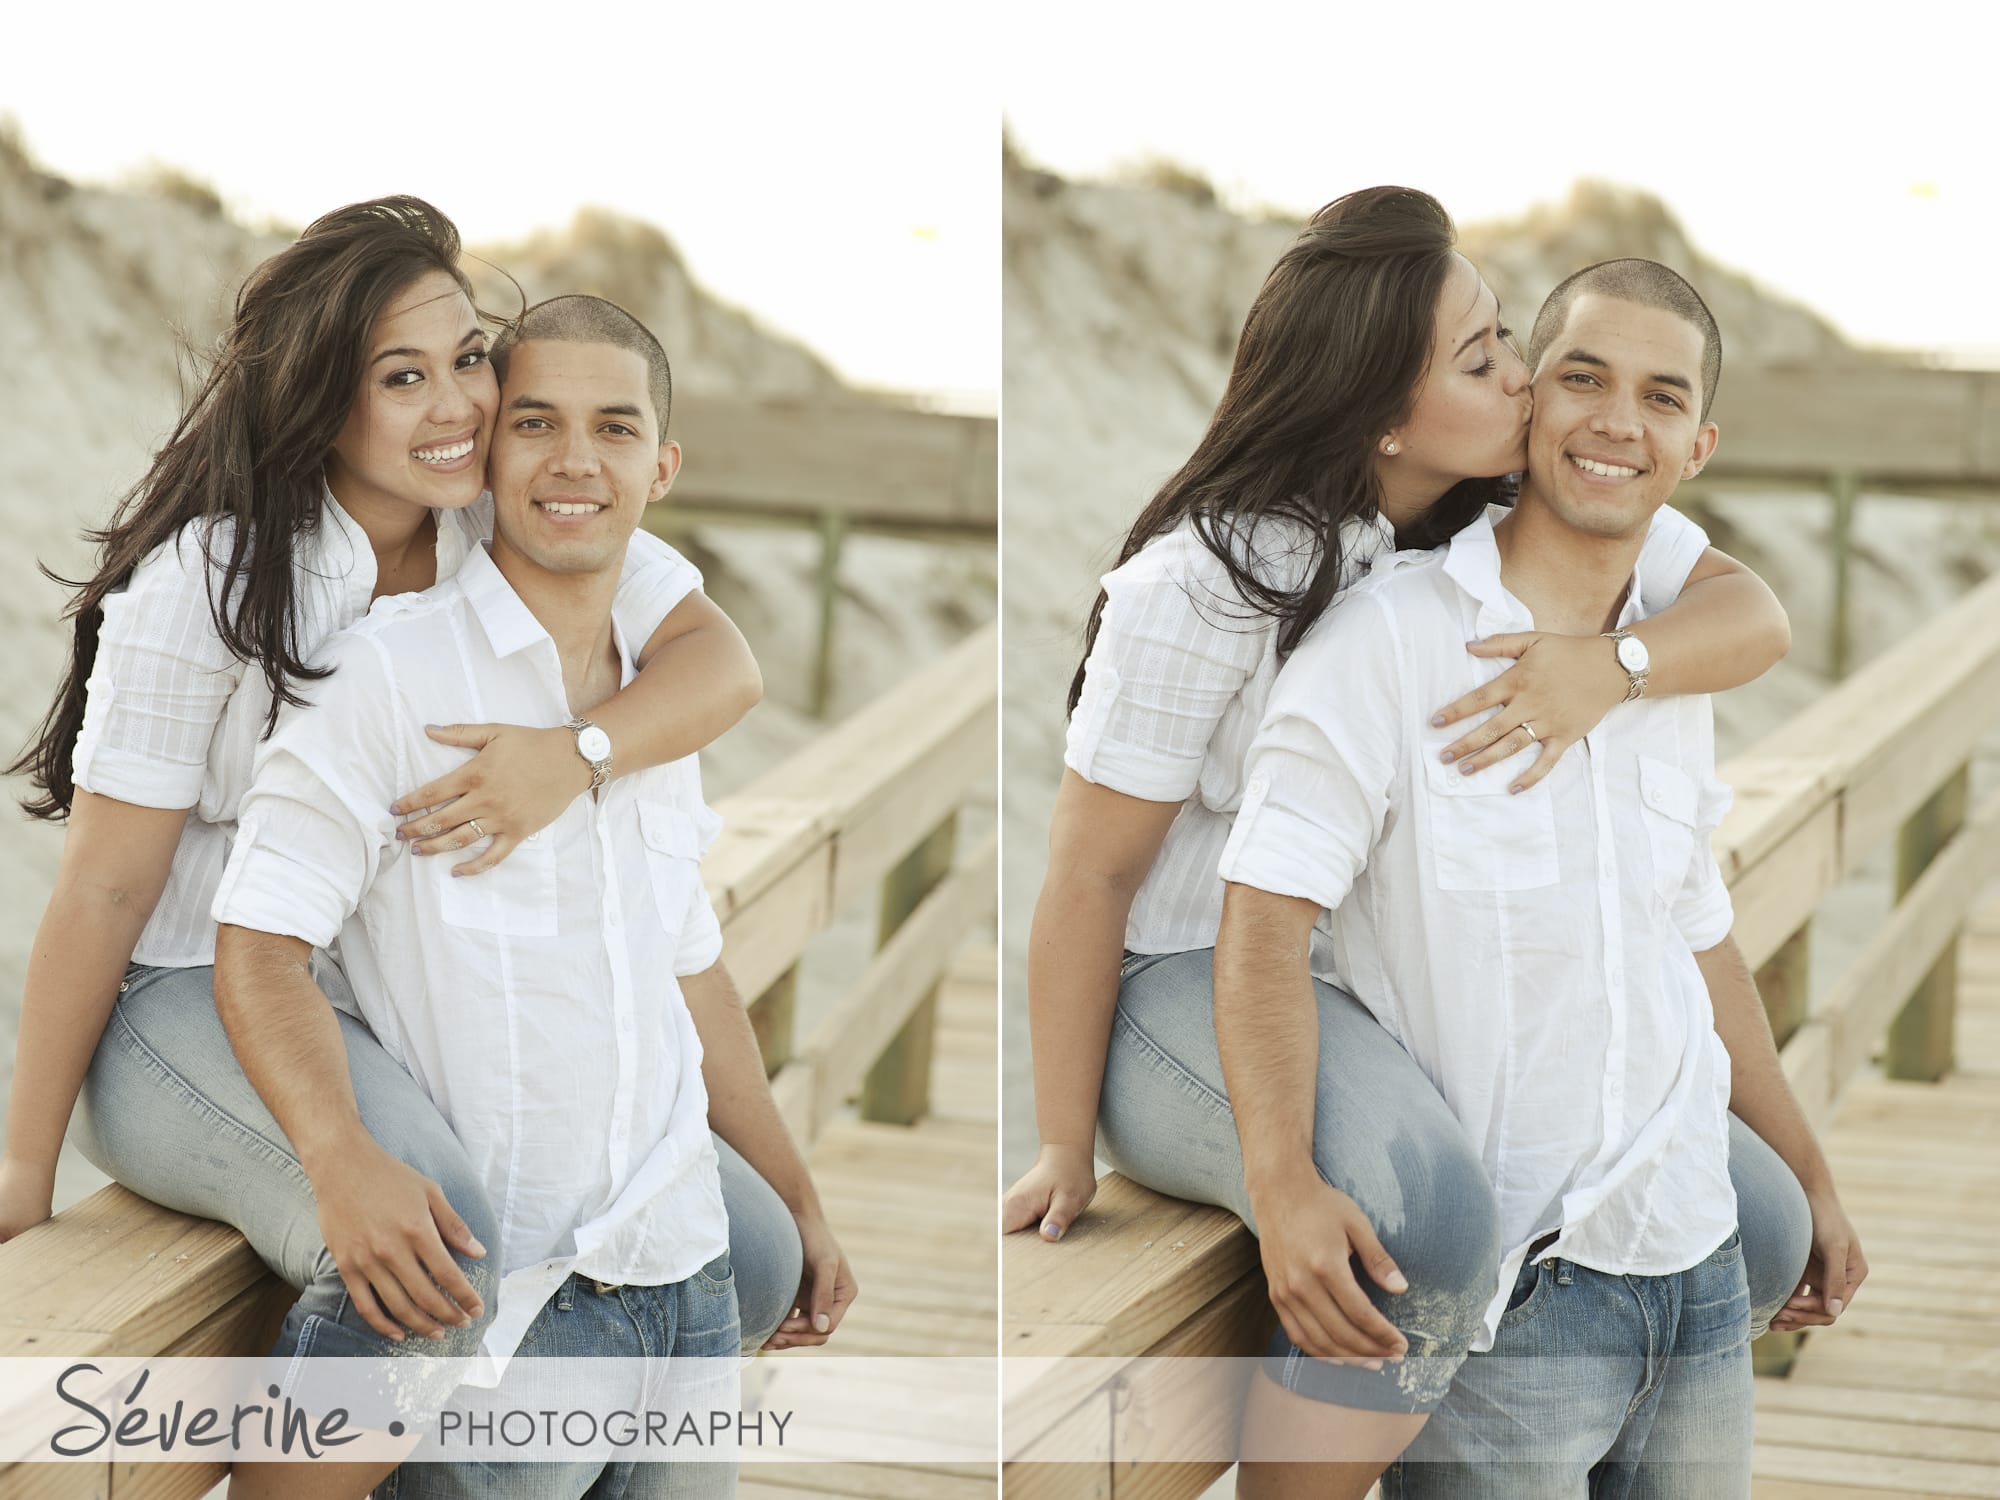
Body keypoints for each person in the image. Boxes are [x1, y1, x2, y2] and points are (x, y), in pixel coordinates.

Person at [999, 188, 1819, 1498]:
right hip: (1179, 985)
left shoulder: (1475, 515)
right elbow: (1089, 874)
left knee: (1757, 1220)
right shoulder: (1201, 582)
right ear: (1386, 403)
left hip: (1351, 983)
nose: (1520, 382)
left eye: (1507, 343)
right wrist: (1058, 1140)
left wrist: (1613, 666)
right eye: (1485, 356)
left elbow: (1754, 613)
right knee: (1429, 1220)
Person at [0, 198, 839, 1432]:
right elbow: (106, 893)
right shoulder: (211, 582)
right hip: (185, 996)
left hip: (386, 999)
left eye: (467, 361)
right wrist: (23, 1169)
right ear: (321, 398)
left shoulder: (489, 530)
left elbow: (719, 665)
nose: (455, 406)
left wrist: (574, 755)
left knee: (747, 1256)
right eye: (403, 377)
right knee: (442, 1253)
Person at [1215, 258, 1865, 1497]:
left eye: (1659, 398)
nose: (1617, 421)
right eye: (1582, 378)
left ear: (1696, 445)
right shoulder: (1390, 645)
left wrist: (1810, 1179)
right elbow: (1261, 922)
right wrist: (1281, 1182)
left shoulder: (1665, 664)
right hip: (1519, 1300)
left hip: (1695, 1266)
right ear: (1530, 409)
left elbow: (1696, 940)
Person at [212, 292, 815, 1499]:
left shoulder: (657, 704)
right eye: (534, 423)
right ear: (483, 455)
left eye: (614, 429)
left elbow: (687, 966)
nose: (575, 461)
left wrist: (795, 1200)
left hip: (682, 1279)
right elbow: (258, 946)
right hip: (505, 1331)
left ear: (663, 467)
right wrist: (339, 1161)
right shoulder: (385, 677)